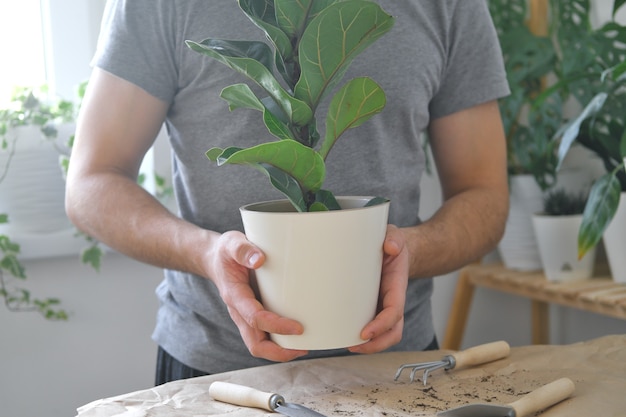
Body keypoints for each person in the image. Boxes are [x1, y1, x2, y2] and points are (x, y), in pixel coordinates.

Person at [66, 0, 510, 385]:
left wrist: (408, 250)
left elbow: (483, 195)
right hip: (217, 375)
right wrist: (206, 253)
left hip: (400, 369)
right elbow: (92, 182)